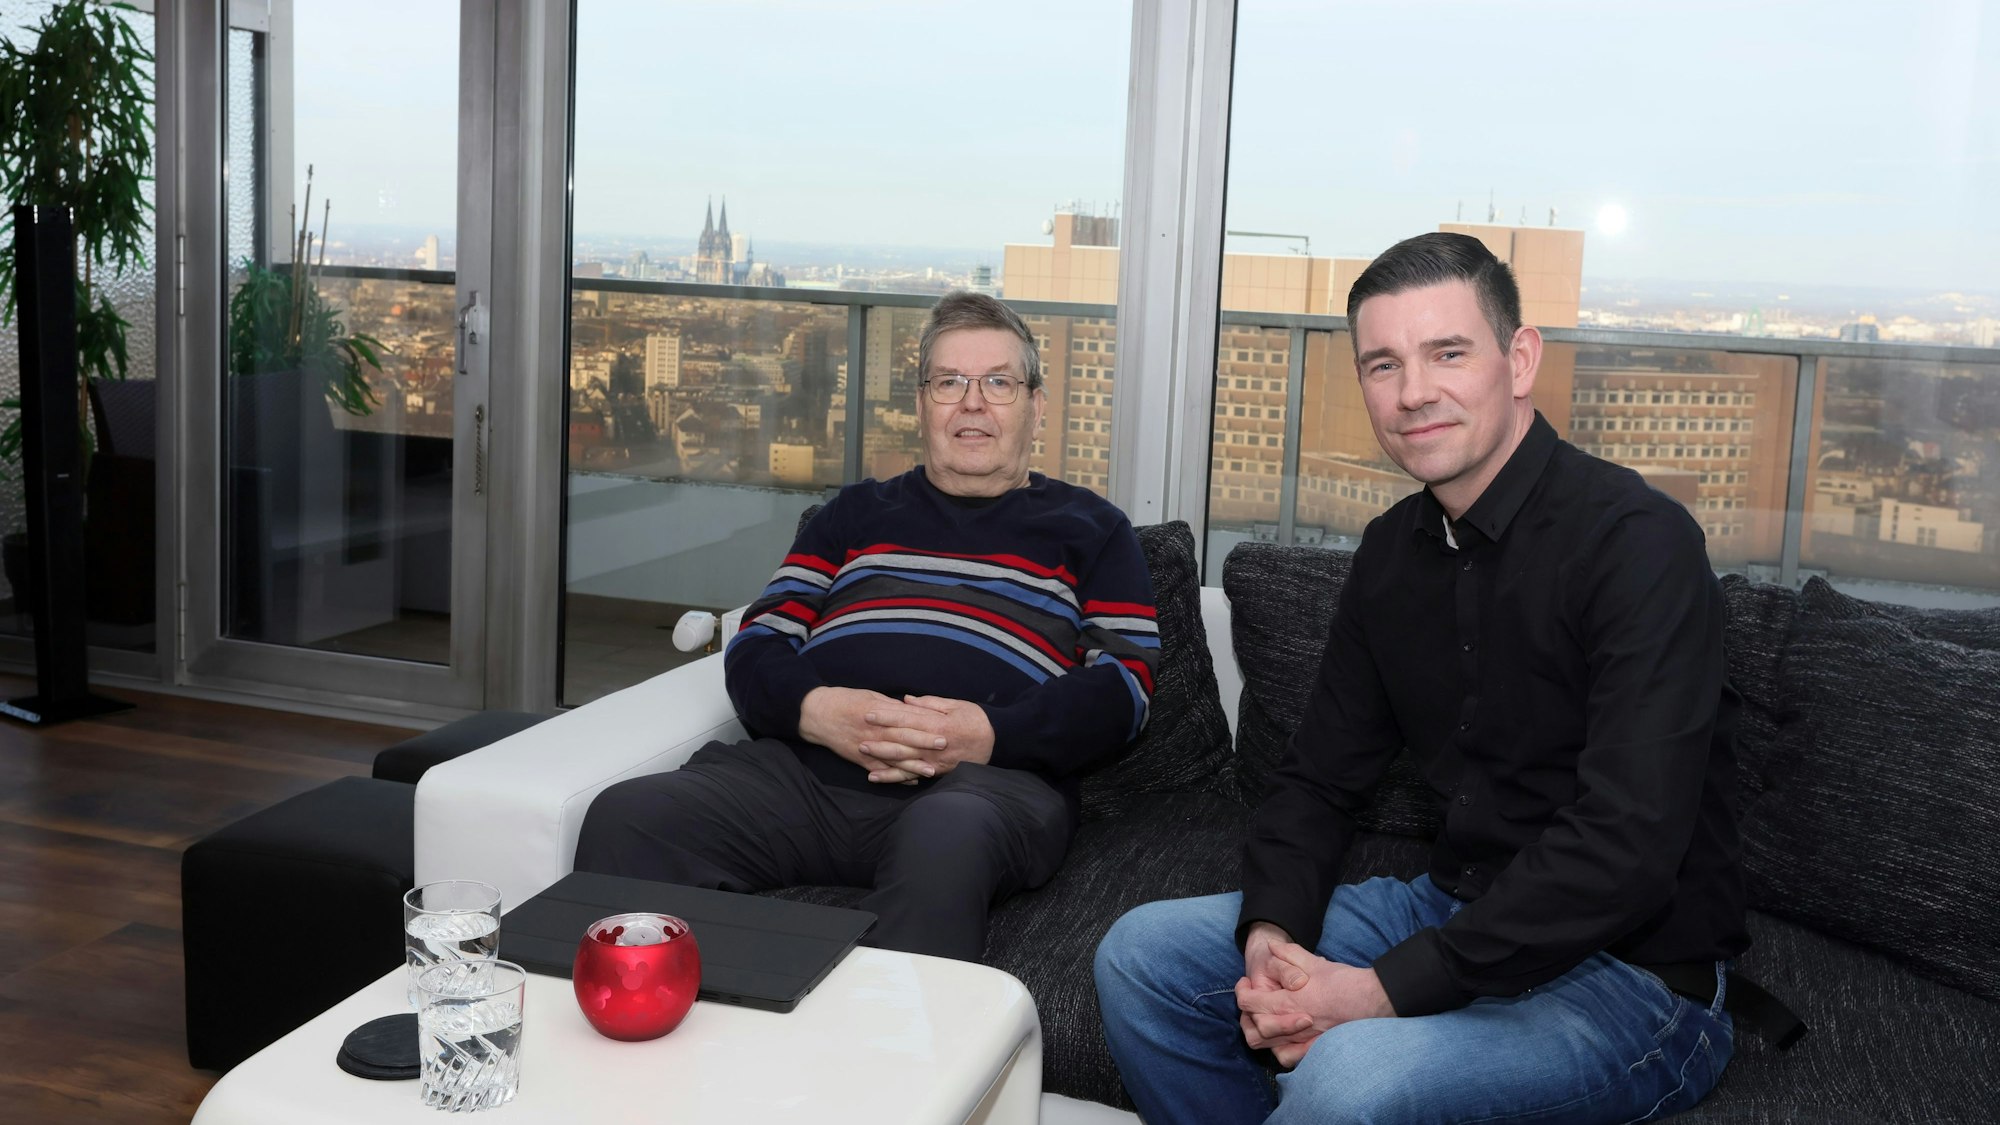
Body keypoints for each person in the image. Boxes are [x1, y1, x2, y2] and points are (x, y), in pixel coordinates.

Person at [1094, 232, 1756, 1124]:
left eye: (1448, 352)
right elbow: (1319, 780)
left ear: (1519, 360)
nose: (1413, 392)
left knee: (1351, 1076)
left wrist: (1380, 992)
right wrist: (1271, 935)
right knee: (1141, 956)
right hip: (1453, 908)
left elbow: (1625, 849)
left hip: (1632, 977)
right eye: (1383, 364)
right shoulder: (1391, 554)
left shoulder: (1638, 544)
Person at [575, 291, 1158, 962]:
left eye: (998, 382)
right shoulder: (853, 513)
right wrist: (818, 711)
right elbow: (760, 639)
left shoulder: (1093, 530)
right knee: (628, 817)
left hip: (983, 788)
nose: (972, 402)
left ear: (1036, 403)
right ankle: (649, 1038)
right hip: (807, 778)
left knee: (945, 835)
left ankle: (893, 1060)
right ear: (920, 404)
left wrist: (986, 733)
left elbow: (1126, 686)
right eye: (949, 382)